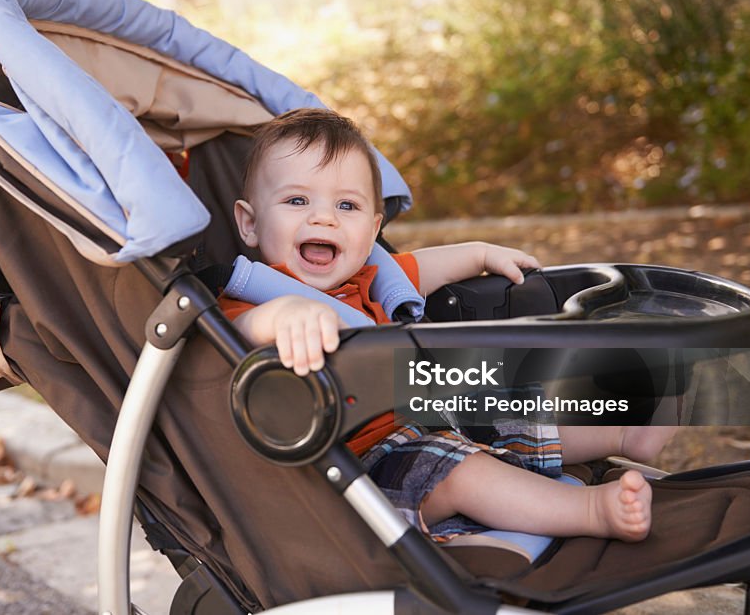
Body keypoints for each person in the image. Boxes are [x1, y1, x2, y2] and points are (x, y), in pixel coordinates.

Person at [218, 108, 676, 543]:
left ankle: (624, 432)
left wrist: (479, 253)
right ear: (250, 223)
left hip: (424, 419)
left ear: (373, 229)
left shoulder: (370, 278)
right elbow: (244, 332)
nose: (324, 217)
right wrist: (285, 316)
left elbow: (423, 267)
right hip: (356, 470)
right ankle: (590, 511)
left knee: (514, 406)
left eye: (347, 206)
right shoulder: (251, 299)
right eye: (297, 200)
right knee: (463, 471)